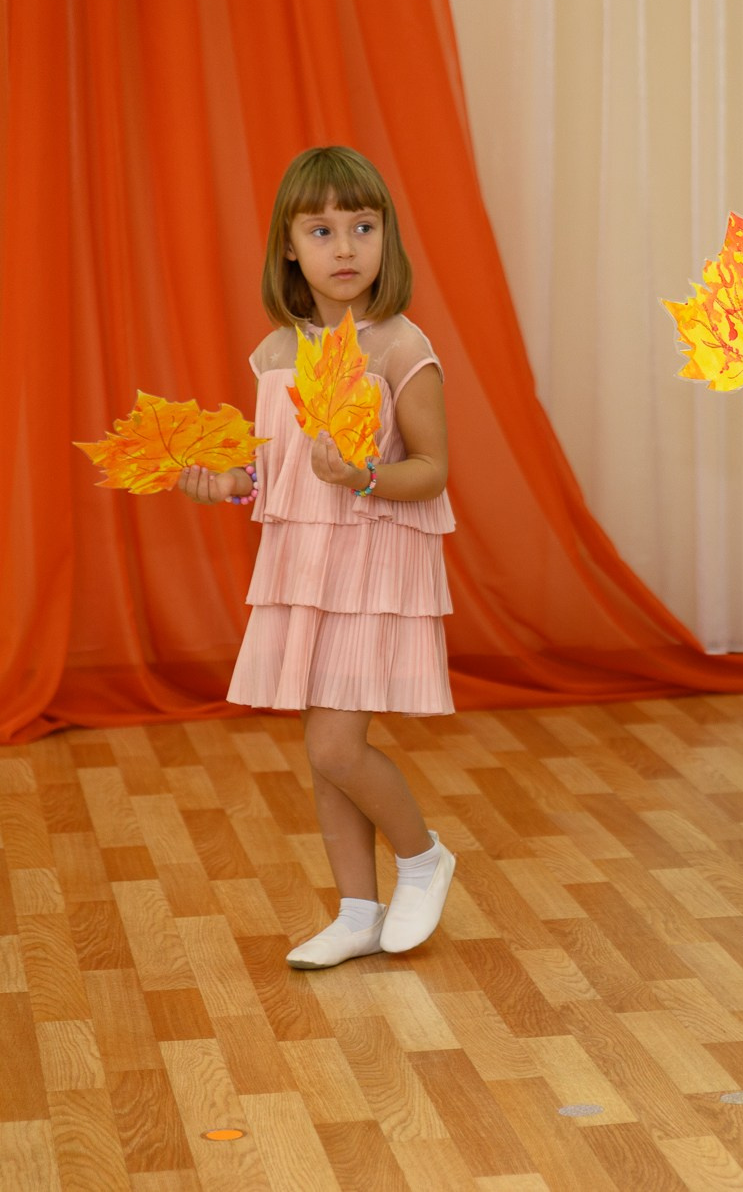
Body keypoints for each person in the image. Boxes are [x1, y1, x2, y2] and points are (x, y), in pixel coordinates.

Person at [178, 146, 457, 968]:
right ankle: (358, 910)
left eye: (363, 226)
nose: (345, 247)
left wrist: (365, 475)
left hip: (374, 567)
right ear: (289, 247)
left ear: (386, 239)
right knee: (320, 751)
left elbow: (432, 470)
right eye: (323, 229)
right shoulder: (275, 355)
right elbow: (270, 475)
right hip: (305, 567)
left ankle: (422, 857)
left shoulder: (404, 347)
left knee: (338, 746)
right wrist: (225, 484)